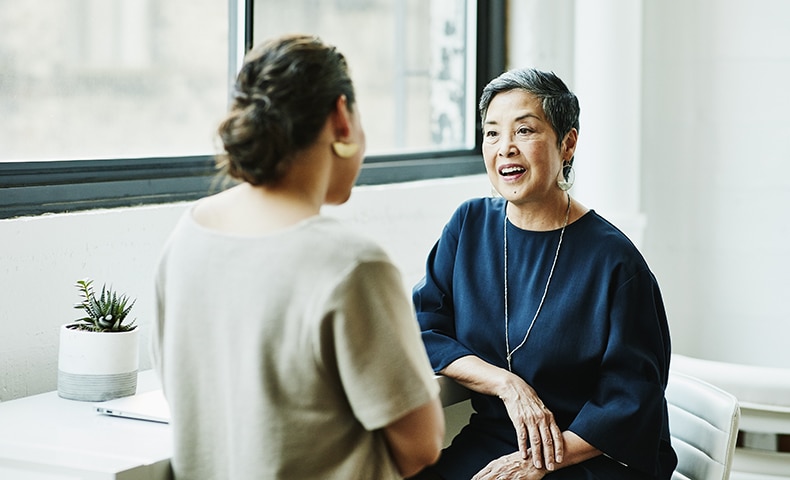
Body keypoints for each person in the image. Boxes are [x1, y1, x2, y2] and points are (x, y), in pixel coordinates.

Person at [151, 34, 444, 479]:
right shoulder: (352, 264)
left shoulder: (188, 235)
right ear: (341, 118)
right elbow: (421, 445)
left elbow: (181, 392)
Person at [410, 68, 677, 480]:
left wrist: (539, 461)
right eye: (492, 133)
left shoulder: (615, 261)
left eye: (525, 131)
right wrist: (506, 384)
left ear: (567, 143)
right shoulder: (469, 225)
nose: (505, 149)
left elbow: (632, 400)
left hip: (589, 454)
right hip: (497, 438)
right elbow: (422, 328)